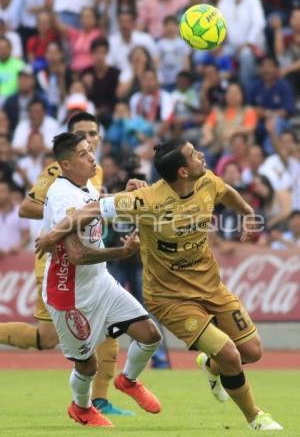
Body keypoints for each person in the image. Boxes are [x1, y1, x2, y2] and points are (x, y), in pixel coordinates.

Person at [37, 139, 284, 431]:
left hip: (209, 285)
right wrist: (53, 235)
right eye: (193, 154)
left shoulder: (206, 180)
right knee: (229, 354)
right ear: (182, 171)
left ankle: (202, 367)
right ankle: (255, 418)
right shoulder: (148, 200)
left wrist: (246, 213)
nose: (201, 155)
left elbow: (225, 191)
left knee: (251, 352)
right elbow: (89, 212)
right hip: (168, 297)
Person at [0, 112, 137, 416]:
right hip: (60, 265)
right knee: (58, 337)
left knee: (90, 332)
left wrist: (114, 202)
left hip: (84, 266)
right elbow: (26, 207)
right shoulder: (57, 171)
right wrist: (63, 218)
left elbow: (94, 205)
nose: (88, 138)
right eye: (82, 133)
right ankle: (94, 401)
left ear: (100, 137)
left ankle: (98, 401)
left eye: (93, 132)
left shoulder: (93, 171)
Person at [37, 131, 162, 427]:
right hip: (70, 294)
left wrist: (124, 194)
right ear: (66, 164)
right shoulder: (61, 196)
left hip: (100, 284)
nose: (92, 157)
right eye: (83, 153)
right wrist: (122, 251)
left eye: (91, 150)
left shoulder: (86, 185)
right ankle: (81, 408)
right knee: (87, 364)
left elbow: (94, 203)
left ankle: (128, 381)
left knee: (150, 336)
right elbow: (77, 254)